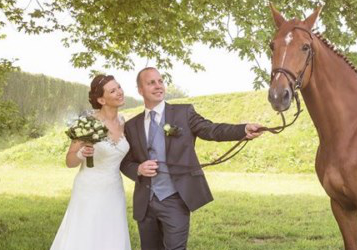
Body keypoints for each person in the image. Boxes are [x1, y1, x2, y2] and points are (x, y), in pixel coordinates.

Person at [120, 67, 263, 250]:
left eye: (160, 81)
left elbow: (212, 130)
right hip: (145, 203)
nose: (158, 86)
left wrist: (242, 130)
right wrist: (138, 169)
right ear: (140, 90)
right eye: (151, 83)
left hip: (175, 198)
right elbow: (125, 162)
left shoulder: (183, 113)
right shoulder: (132, 125)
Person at [50, 75, 131, 250]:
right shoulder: (87, 123)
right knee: (86, 236)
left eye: (119, 87)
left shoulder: (124, 122)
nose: (119, 92)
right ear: (101, 99)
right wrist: (80, 153)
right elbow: (70, 161)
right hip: (89, 189)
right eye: (113, 90)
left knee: (111, 235)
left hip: (114, 189)